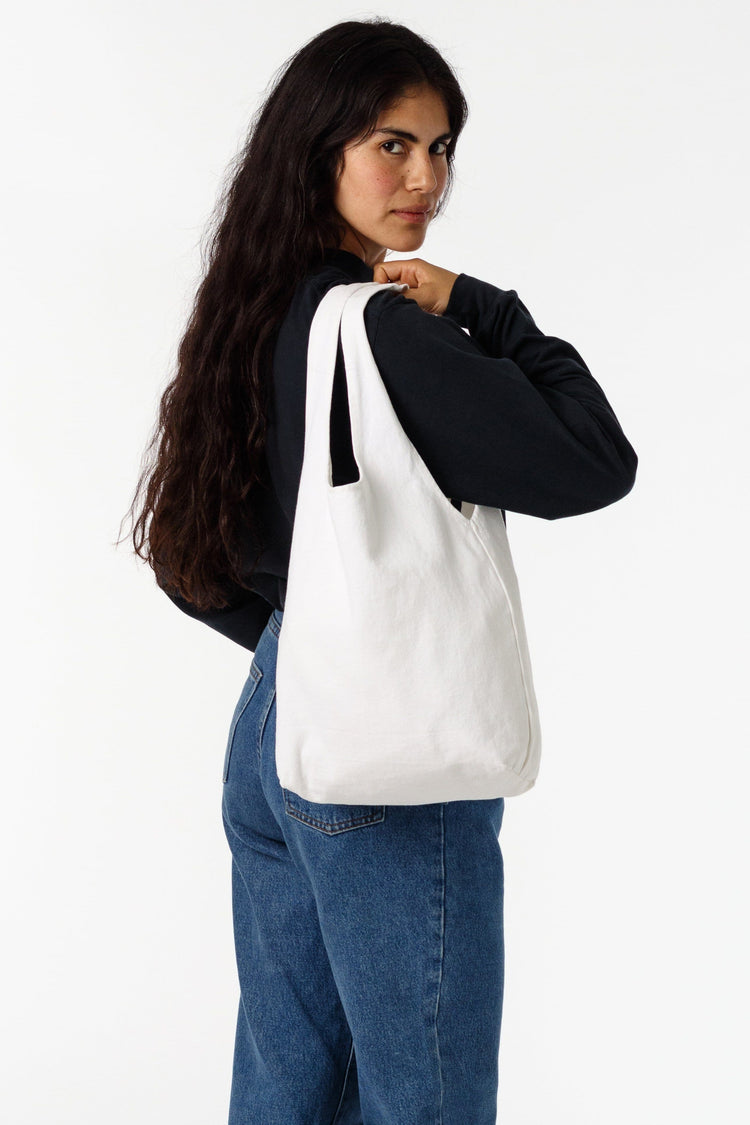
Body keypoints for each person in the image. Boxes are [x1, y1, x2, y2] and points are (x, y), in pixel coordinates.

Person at [126, 17, 637, 1125]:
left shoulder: (254, 312)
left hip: (275, 731)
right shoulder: (384, 332)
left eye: (441, 148)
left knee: (287, 1086)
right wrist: (485, 309)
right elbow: (593, 462)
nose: (426, 179)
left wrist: (303, 642)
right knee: (428, 1100)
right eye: (392, 145)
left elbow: (187, 558)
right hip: (384, 757)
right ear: (321, 150)